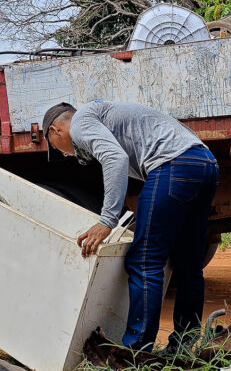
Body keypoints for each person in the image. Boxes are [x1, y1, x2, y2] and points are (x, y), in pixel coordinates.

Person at [42, 100, 219, 351]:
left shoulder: (80, 122)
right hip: (204, 163)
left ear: (55, 130)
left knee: (144, 260)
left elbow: (115, 159)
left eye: (56, 149)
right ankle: (183, 345)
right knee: (188, 262)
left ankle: (136, 352)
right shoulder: (104, 116)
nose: (63, 154)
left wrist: (107, 220)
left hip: (173, 164)